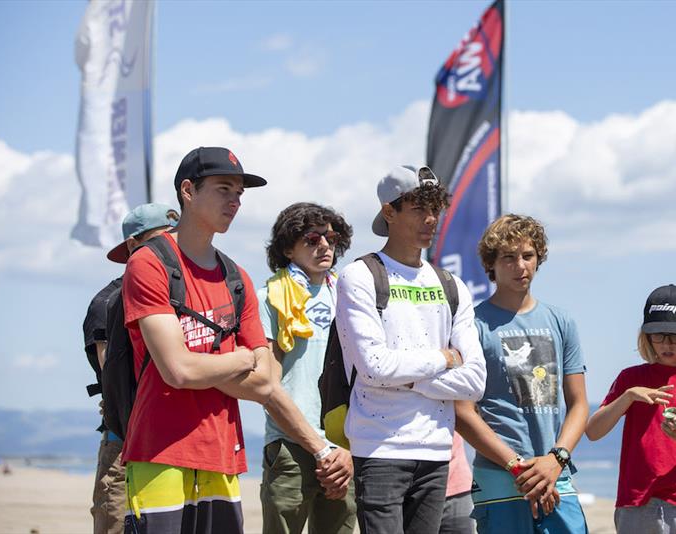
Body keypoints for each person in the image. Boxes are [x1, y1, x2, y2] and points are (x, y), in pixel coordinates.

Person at [121, 146, 278, 534]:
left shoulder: (236, 276)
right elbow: (177, 370)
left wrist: (200, 366)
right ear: (188, 191)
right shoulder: (149, 262)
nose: (235, 201)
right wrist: (242, 358)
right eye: (224, 189)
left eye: (239, 193)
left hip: (223, 452)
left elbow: (267, 381)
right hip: (160, 449)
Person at [334, 164, 486, 534]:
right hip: (380, 447)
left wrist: (407, 379)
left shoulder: (452, 285)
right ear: (389, 211)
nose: (431, 219)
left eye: (435, 208)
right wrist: (444, 360)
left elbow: (475, 381)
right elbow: (374, 369)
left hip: (436, 448)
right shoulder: (360, 276)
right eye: (418, 208)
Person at [455, 214, 589, 534]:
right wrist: (517, 466)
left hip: (556, 476)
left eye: (527, 256)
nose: (520, 266)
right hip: (500, 480)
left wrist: (556, 459)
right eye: (509, 257)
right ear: (492, 264)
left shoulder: (561, 321)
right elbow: (462, 413)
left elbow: (579, 404)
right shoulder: (472, 326)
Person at [585, 284, 676, 534]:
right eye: (658, 335)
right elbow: (593, 431)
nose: (666, 343)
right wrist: (628, 397)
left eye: (675, 335)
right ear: (646, 335)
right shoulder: (629, 378)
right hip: (635, 504)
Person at [257, 202, 357, 534]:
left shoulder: (351, 295)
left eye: (331, 237)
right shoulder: (270, 297)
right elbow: (267, 385)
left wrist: (343, 449)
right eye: (312, 238)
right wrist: (318, 448)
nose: (325, 245)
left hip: (344, 447)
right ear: (288, 247)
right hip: (291, 445)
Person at [82, 203, 178, 534]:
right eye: (162, 239)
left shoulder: (180, 296)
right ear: (134, 245)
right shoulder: (108, 301)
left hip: (178, 439)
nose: (171, 247)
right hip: (124, 439)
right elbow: (115, 377)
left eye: (175, 238)